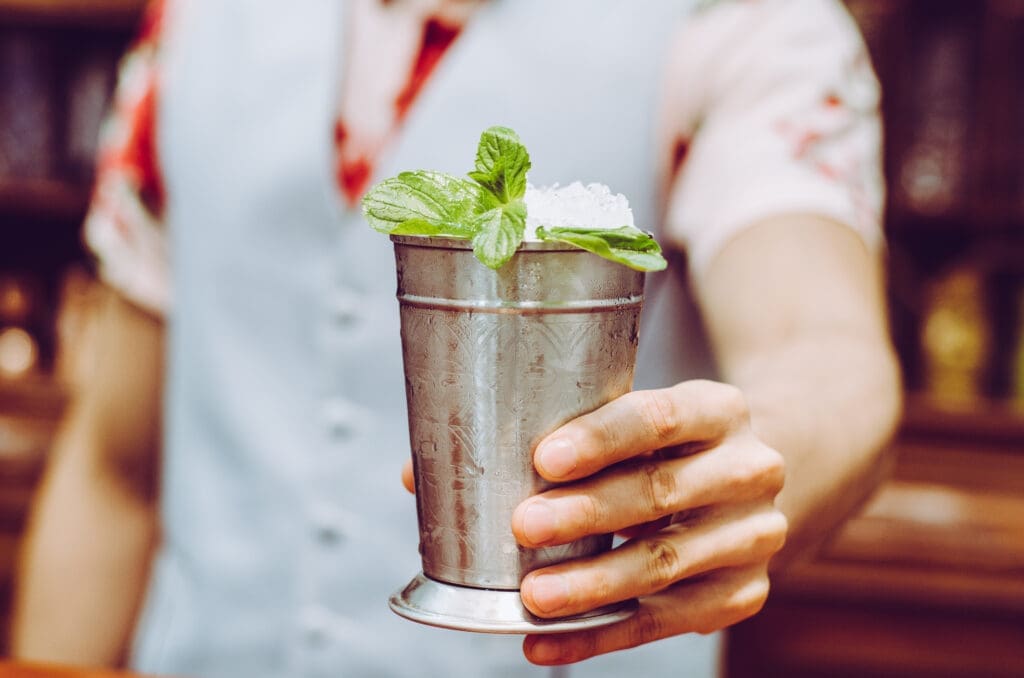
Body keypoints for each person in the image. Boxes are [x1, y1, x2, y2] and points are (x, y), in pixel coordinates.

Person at [12, 0, 901, 676]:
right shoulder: (196, 22)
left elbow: (827, 356)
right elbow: (116, 469)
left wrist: (744, 468)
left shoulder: (739, 20)